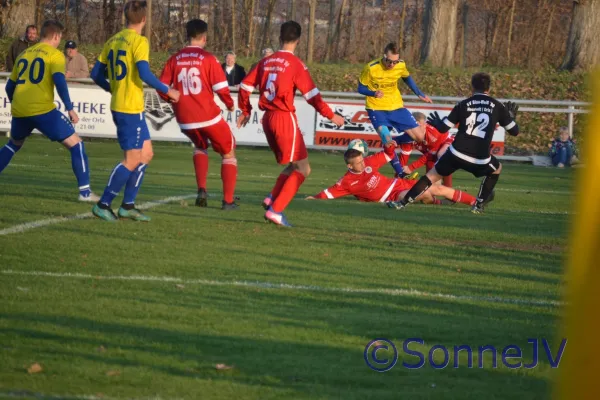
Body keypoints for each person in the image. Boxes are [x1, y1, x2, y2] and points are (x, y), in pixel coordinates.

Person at [237, 20, 344, 227]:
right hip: (283, 118)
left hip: (267, 118)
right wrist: (331, 116)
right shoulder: (295, 64)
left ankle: (271, 199)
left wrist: (245, 110)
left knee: (293, 165)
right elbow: (312, 95)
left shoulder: (265, 61)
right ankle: (276, 211)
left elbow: (245, 85)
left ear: (279, 37)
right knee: (304, 169)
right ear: (299, 40)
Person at [90, 0, 180, 222]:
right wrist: (168, 90)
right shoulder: (139, 41)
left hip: (126, 105)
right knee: (131, 159)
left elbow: (95, 74)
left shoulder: (113, 40)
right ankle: (103, 204)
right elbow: (144, 74)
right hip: (129, 108)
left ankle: (127, 206)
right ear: (144, 19)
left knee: (146, 154)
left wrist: (113, 88)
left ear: (125, 17)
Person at [388, 72, 520, 214]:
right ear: (489, 88)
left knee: (430, 177)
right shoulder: (497, 106)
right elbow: (514, 131)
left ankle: (402, 203)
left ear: (472, 87)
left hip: (456, 153)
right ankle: (478, 205)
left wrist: (438, 123)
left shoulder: (463, 104)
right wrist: (511, 117)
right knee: (496, 168)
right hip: (480, 157)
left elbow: (443, 128)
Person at [0, 20, 99, 202]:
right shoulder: (54, 55)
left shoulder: (24, 54)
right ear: (55, 36)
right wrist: (70, 108)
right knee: (76, 144)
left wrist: (17, 102)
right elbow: (60, 83)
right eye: (60, 37)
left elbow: (9, 87)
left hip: (20, 110)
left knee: (13, 144)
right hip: (42, 110)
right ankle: (85, 193)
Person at [158, 19, 238, 210]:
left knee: (200, 145)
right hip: (207, 116)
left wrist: (172, 100)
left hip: (185, 120)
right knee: (229, 152)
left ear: (187, 36)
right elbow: (221, 88)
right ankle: (228, 201)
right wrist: (229, 104)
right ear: (204, 37)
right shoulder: (209, 59)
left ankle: (201, 189)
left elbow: (161, 87)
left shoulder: (174, 58)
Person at [306, 142, 476, 207]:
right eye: (358, 163)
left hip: (398, 184)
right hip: (393, 196)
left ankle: (477, 202)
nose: (363, 163)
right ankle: (438, 203)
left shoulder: (369, 163)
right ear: (350, 165)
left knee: (438, 188)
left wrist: (390, 145)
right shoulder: (346, 181)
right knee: (425, 192)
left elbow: (387, 154)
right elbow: (329, 193)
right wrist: (314, 198)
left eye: (362, 159)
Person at [358, 42, 432, 177]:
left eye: (395, 62)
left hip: (396, 107)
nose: (392, 65)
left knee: (420, 136)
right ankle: (401, 174)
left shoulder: (401, 65)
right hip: (377, 109)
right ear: (384, 56)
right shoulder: (371, 68)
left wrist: (419, 93)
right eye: (389, 61)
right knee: (388, 143)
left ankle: (396, 141)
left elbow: (407, 78)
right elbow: (360, 88)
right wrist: (373, 93)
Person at [400, 112, 454, 188]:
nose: (426, 126)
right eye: (423, 124)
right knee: (432, 186)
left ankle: (449, 188)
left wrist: (411, 167)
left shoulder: (432, 133)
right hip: (431, 153)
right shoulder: (408, 137)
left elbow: (429, 155)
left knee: (441, 155)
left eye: (425, 124)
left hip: (446, 142)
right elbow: (404, 155)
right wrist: (401, 172)